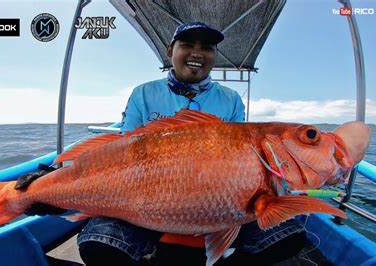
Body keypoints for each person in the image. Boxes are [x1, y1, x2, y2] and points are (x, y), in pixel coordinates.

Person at [75, 21, 307, 265]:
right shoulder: (143, 93)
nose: (197, 53)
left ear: (214, 56)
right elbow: (123, 151)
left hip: (218, 204)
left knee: (288, 237)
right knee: (99, 243)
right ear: (170, 51)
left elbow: (241, 155)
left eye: (207, 48)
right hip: (146, 204)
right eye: (187, 45)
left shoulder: (230, 99)